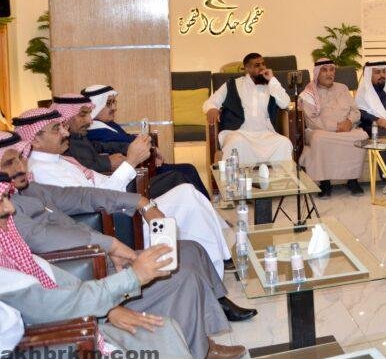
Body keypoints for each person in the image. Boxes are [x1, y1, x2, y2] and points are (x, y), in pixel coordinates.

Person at [0, 132, 255, 337]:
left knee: (190, 249)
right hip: (84, 272)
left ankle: (209, 327)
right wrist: (109, 244)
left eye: (20, 158)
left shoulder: (29, 191)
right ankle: (195, 349)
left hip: (98, 257)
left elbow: (84, 195)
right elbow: (40, 237)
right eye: (9, 163)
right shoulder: (6, 212)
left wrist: (141, 202)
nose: (21, 167)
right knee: (183, 274)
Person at [0, 173, 198, 359]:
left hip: (74, 322)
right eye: (1, 200)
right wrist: (133, 277)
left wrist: (110, 310)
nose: (10, 208)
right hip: (60, 343)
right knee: (162, 331)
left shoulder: (8, 249)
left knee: (164, 329)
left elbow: (60, 283)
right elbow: (48, 307)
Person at [16, 108, 233, 279]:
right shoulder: (41, 170)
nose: (65, 133)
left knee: (187, 192)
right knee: (188, 198)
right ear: (34, 139)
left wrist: (132, 174)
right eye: (57, 129)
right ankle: (221, 262)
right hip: (115, 225)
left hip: (122, 209)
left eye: (63, 127)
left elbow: (101, 187)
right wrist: (131, 161)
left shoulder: (60, 160)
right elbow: (96, 202)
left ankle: (222, 256)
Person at [53, 93, 202, 200]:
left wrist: (127, 149)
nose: (89, 121)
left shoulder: (78, 135)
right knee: (179, 178)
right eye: (82, 115)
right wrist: (109, 162)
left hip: (112, 184)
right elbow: (84, 166)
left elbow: (101, 146)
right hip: (113, 191)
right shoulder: (63, 144)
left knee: (181, 180)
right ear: (65, 117)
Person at [203, 52, 292, 165]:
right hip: (238, 132)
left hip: (265, 133)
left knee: (283, 143)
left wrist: (272, 80)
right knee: (236, 143)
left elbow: (285, 103)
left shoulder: (271, 86)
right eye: (257, 65)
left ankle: (277, 177)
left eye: (263, 64)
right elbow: (211, 101)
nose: (262, 68)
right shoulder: (233, 84)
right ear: (247, 68)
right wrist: (212, 108)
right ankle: (235, 177)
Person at [299, 59, 365, 197]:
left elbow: (355, 111)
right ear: (317, 73)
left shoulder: (343, 88)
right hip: (321, 131)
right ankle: (325, 183)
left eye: (331, 70)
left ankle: (352, 180)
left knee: (361, 136)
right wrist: (336, 126)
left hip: (347, 128)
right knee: (319, 139)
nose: (329, 73)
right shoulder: (308, 93)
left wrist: (349, 121)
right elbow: (312, 121)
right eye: (324, 70)